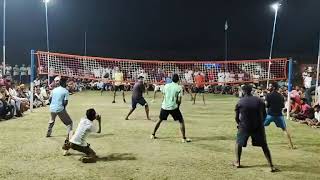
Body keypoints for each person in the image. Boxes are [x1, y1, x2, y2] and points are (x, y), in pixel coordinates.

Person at [234, 84, 278, 172]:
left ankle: (238, 162)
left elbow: (236, 117)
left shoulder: (240, 102)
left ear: (243, 91)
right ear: (251, 91)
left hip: (244, 126)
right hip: (258, 126)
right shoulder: (260, 100)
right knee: (264, 146)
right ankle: (271, 166)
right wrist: (260, 123)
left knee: (238, 143)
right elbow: (265, 115)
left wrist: (239, 124)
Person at [151, 74, 191, 143]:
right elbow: (179, 100)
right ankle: (183, 138)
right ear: (178, 80)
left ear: (172, 79)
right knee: (181, 121)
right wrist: (177, 106)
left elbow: (163, 94)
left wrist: (166, 101)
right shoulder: (179, 87)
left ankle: (152, 134)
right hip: (173, 107)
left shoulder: (166, 85)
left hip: (165, 106)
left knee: (160, 120)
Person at [264, 83, 294, 149]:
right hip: (279, 115)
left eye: (270, 86)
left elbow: (266, 105)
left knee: (260, 126)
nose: (269, 87)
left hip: (270, 114)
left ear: (273, 87)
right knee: (284, 130)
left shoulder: (268, 95)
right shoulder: (281, 96)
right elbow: (282, 106)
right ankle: (291, 146)